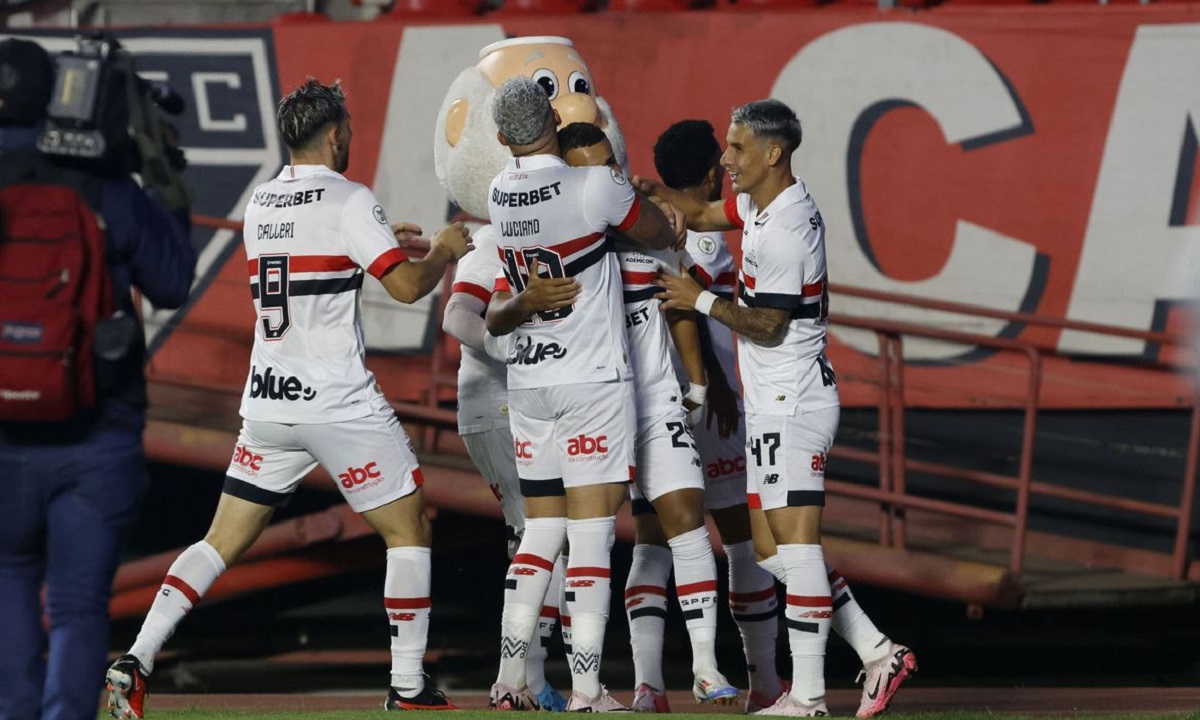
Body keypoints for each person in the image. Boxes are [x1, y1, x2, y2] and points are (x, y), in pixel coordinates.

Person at [104, 78, 473, 718]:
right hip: (337, 403)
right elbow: (411, 287)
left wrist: (379, 238)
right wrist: (442, 248)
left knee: (217, 542)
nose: (352, 136)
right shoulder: (351, 199)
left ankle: (136, 657)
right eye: (349, 128)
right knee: (408, 528)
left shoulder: (261, 203)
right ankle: (409, 687)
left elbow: (318, 252)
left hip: (270, 402)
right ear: (335, 136)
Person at [640, 100, 916, 717]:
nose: (727, 160)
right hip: (771, 405)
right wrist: (647, 190)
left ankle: (810, 695)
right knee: (771, 553)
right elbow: (703, 209)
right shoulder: (758, 205)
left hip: (794, 402)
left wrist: (701, 299)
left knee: (796, 553)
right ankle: (876, 649)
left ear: (773, 154)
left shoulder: (790, 225)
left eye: (737, 149)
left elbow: (766, 324)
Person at [0, 37, 196, 720]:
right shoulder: (106, 186)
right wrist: (163, 173)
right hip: (97, 431)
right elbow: (171, 282)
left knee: (8, 581)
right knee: (79, 604)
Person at [483, 76, 678, 712]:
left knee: (540, 534)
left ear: (499, 138)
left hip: (530, 381)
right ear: (556, 124)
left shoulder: (498, 191)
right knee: (592, 538)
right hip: (591, 380)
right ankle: (589, 688)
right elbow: (655, 231)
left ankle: (510, 679)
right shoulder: (592, 184)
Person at [558, 121, 738, 711]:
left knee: (683, 523)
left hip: (656, 400)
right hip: (598, 407)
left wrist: (695, 385)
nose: (603, 175)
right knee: (617, 544)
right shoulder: (563, 240)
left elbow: (679, 306)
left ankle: (706, 670)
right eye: (588, 167)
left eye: (609, 163)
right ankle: (638, 684)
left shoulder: (651, 228)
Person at [440, 223, 570, 712]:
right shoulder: (495, 237)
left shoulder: (546, 232)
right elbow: (456, 315)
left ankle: (529, 676)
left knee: (542, 536)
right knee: (545, 534)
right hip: (496, 405)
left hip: (518, 407)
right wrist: (507, 349)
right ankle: (521, 679)